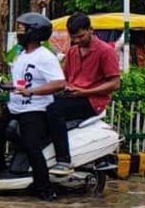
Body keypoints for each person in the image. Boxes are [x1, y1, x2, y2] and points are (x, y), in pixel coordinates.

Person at [0, 12, 65, 201]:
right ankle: (3, 176)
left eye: (22, 29)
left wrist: (32, 92)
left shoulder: (45, 57)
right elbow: (20, 80)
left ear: (34, 32)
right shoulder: (21, 53)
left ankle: (44, 190)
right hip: (15, 106)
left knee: (32, 146)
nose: (19, 33)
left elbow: (59, 83)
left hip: (35, 109)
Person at [47, 13, 121, 176]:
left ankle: (63, 160)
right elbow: (64, 78)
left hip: (93, 101)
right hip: (73, 96)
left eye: (81, 36)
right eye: (74, 37)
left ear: (91, 30)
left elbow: (115, 83)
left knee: (54, 110)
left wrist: (84, 92)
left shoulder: (105, 51)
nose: (77, 40)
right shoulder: (73, 52)